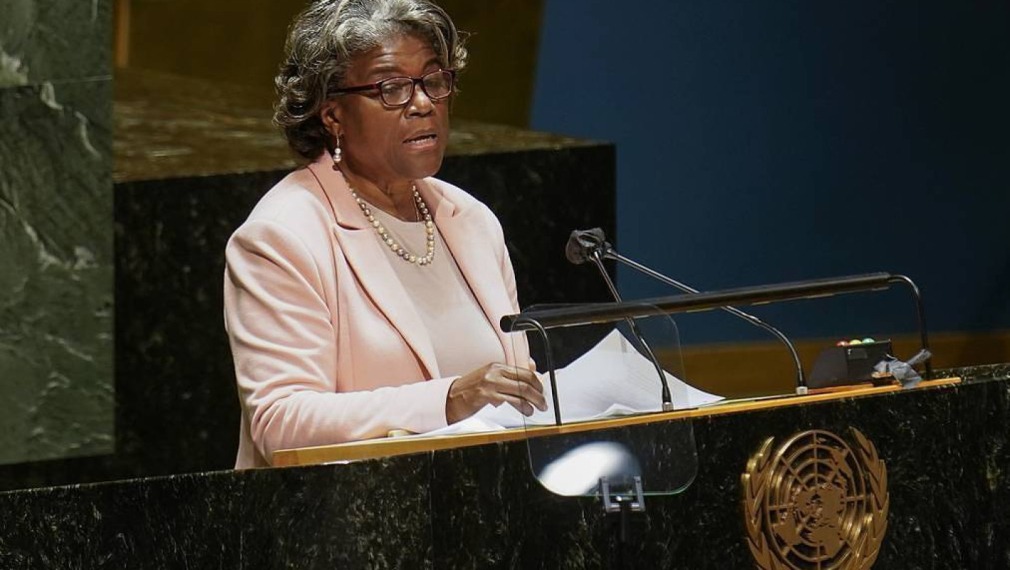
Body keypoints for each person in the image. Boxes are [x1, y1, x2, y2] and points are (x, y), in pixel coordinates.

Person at [224, 0, 546, 469]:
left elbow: (511, 385)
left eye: (433, 80)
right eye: (391, 88)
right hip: (347, 509)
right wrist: (448, 400)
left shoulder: (470, 219)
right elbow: (281, 422)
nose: (423, 104)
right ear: (333, 115)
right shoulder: (281, 236)